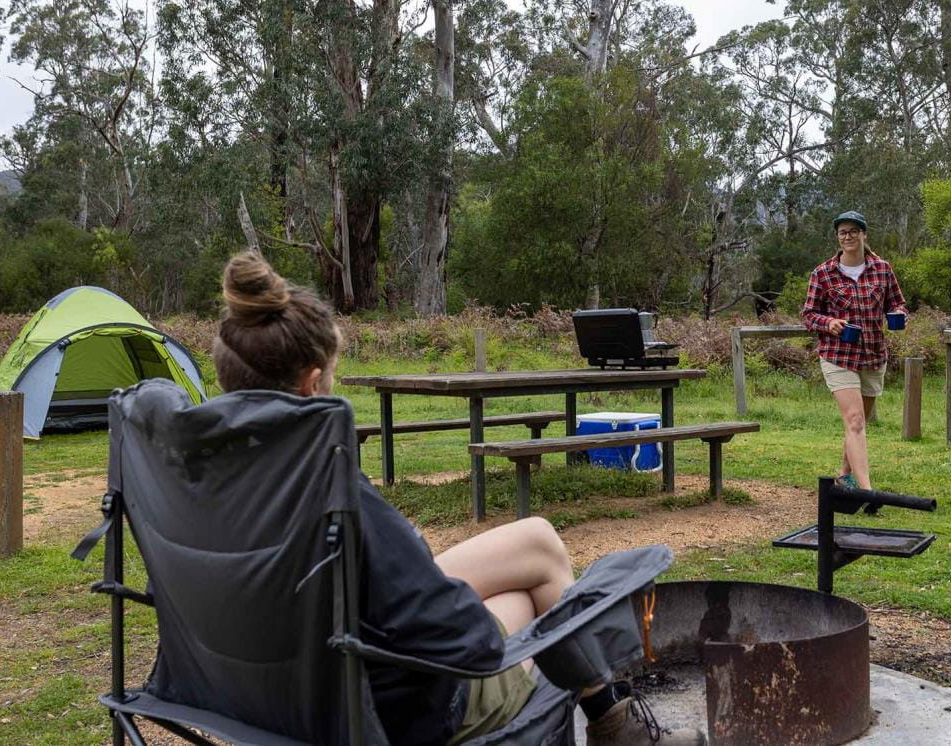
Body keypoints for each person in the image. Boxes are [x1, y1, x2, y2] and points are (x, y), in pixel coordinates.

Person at [212, 252, 703, 746]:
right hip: (390, 704)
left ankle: (612, 718)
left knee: (537, 539)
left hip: (279, 684)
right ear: (313, 383)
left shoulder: (209, 475)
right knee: (531, 598)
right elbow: (451, 632)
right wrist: (491, 623)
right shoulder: (324, 478)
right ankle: (613, 722)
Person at [800, 211, 908, 493]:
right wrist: (829, 323)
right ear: (838, 238)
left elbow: (898, 303)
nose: (847, 237)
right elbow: (809, 315)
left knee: (859, 424)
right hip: (838, 356)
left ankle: (843, 475)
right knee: (855, 420)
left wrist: (897, 314)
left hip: (873, 354)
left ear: (863, 234)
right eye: (842, 232)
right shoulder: (823, 273)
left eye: (852, 231)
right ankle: (867, 492)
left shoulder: (882, 269)